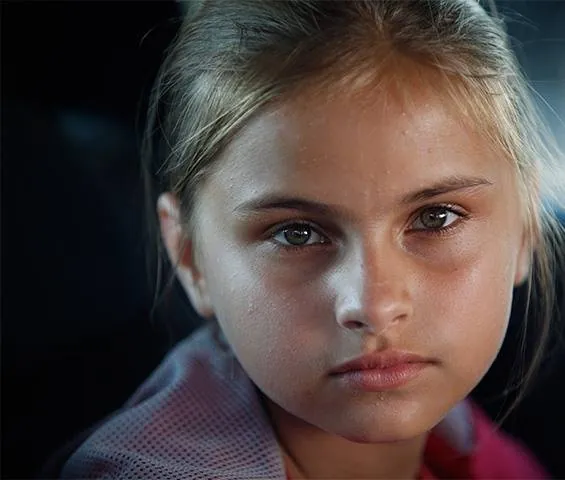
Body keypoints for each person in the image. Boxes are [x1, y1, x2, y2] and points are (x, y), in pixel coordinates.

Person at [61, 1, 564, 478]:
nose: (374, 306)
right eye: (296, 233)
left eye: (435, 218)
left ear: (524, 227)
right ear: (190, 257)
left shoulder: (461, 437)